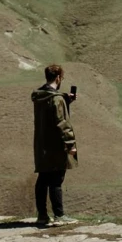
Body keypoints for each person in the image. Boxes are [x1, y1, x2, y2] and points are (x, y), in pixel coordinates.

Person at [31, 62, 77, 226]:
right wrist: (70, 144)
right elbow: (61, 122)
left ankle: (42, 215)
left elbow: (50, 109)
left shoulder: (39, 97)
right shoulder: (56, 99)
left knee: (43, 178)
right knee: (56, 179)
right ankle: (59, 215)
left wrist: (65, 100)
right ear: (58, 78)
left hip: (42, 144)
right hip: (55, 145)